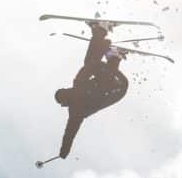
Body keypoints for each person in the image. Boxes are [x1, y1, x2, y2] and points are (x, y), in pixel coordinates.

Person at [54, 23, 128, 158]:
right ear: (65, 97)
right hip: (117, 89)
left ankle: (103, 38)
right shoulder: (76, 111)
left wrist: (99, 51)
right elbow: (69, 134)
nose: (68, 90)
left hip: (113, 82)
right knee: (94, 74)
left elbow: (89, 67)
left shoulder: (78, 86)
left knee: (89, 64)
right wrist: (64, 151)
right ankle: (112, 54)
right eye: (65, 92)